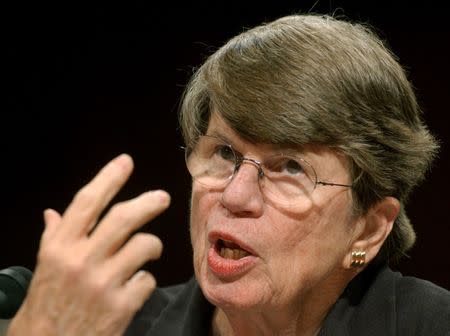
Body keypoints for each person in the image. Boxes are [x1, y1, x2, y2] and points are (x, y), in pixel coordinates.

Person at [6, 13, 450, 336]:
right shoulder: (109, 328)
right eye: (224, 152)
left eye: (291, 167)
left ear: (369, 229)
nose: (235, 195)